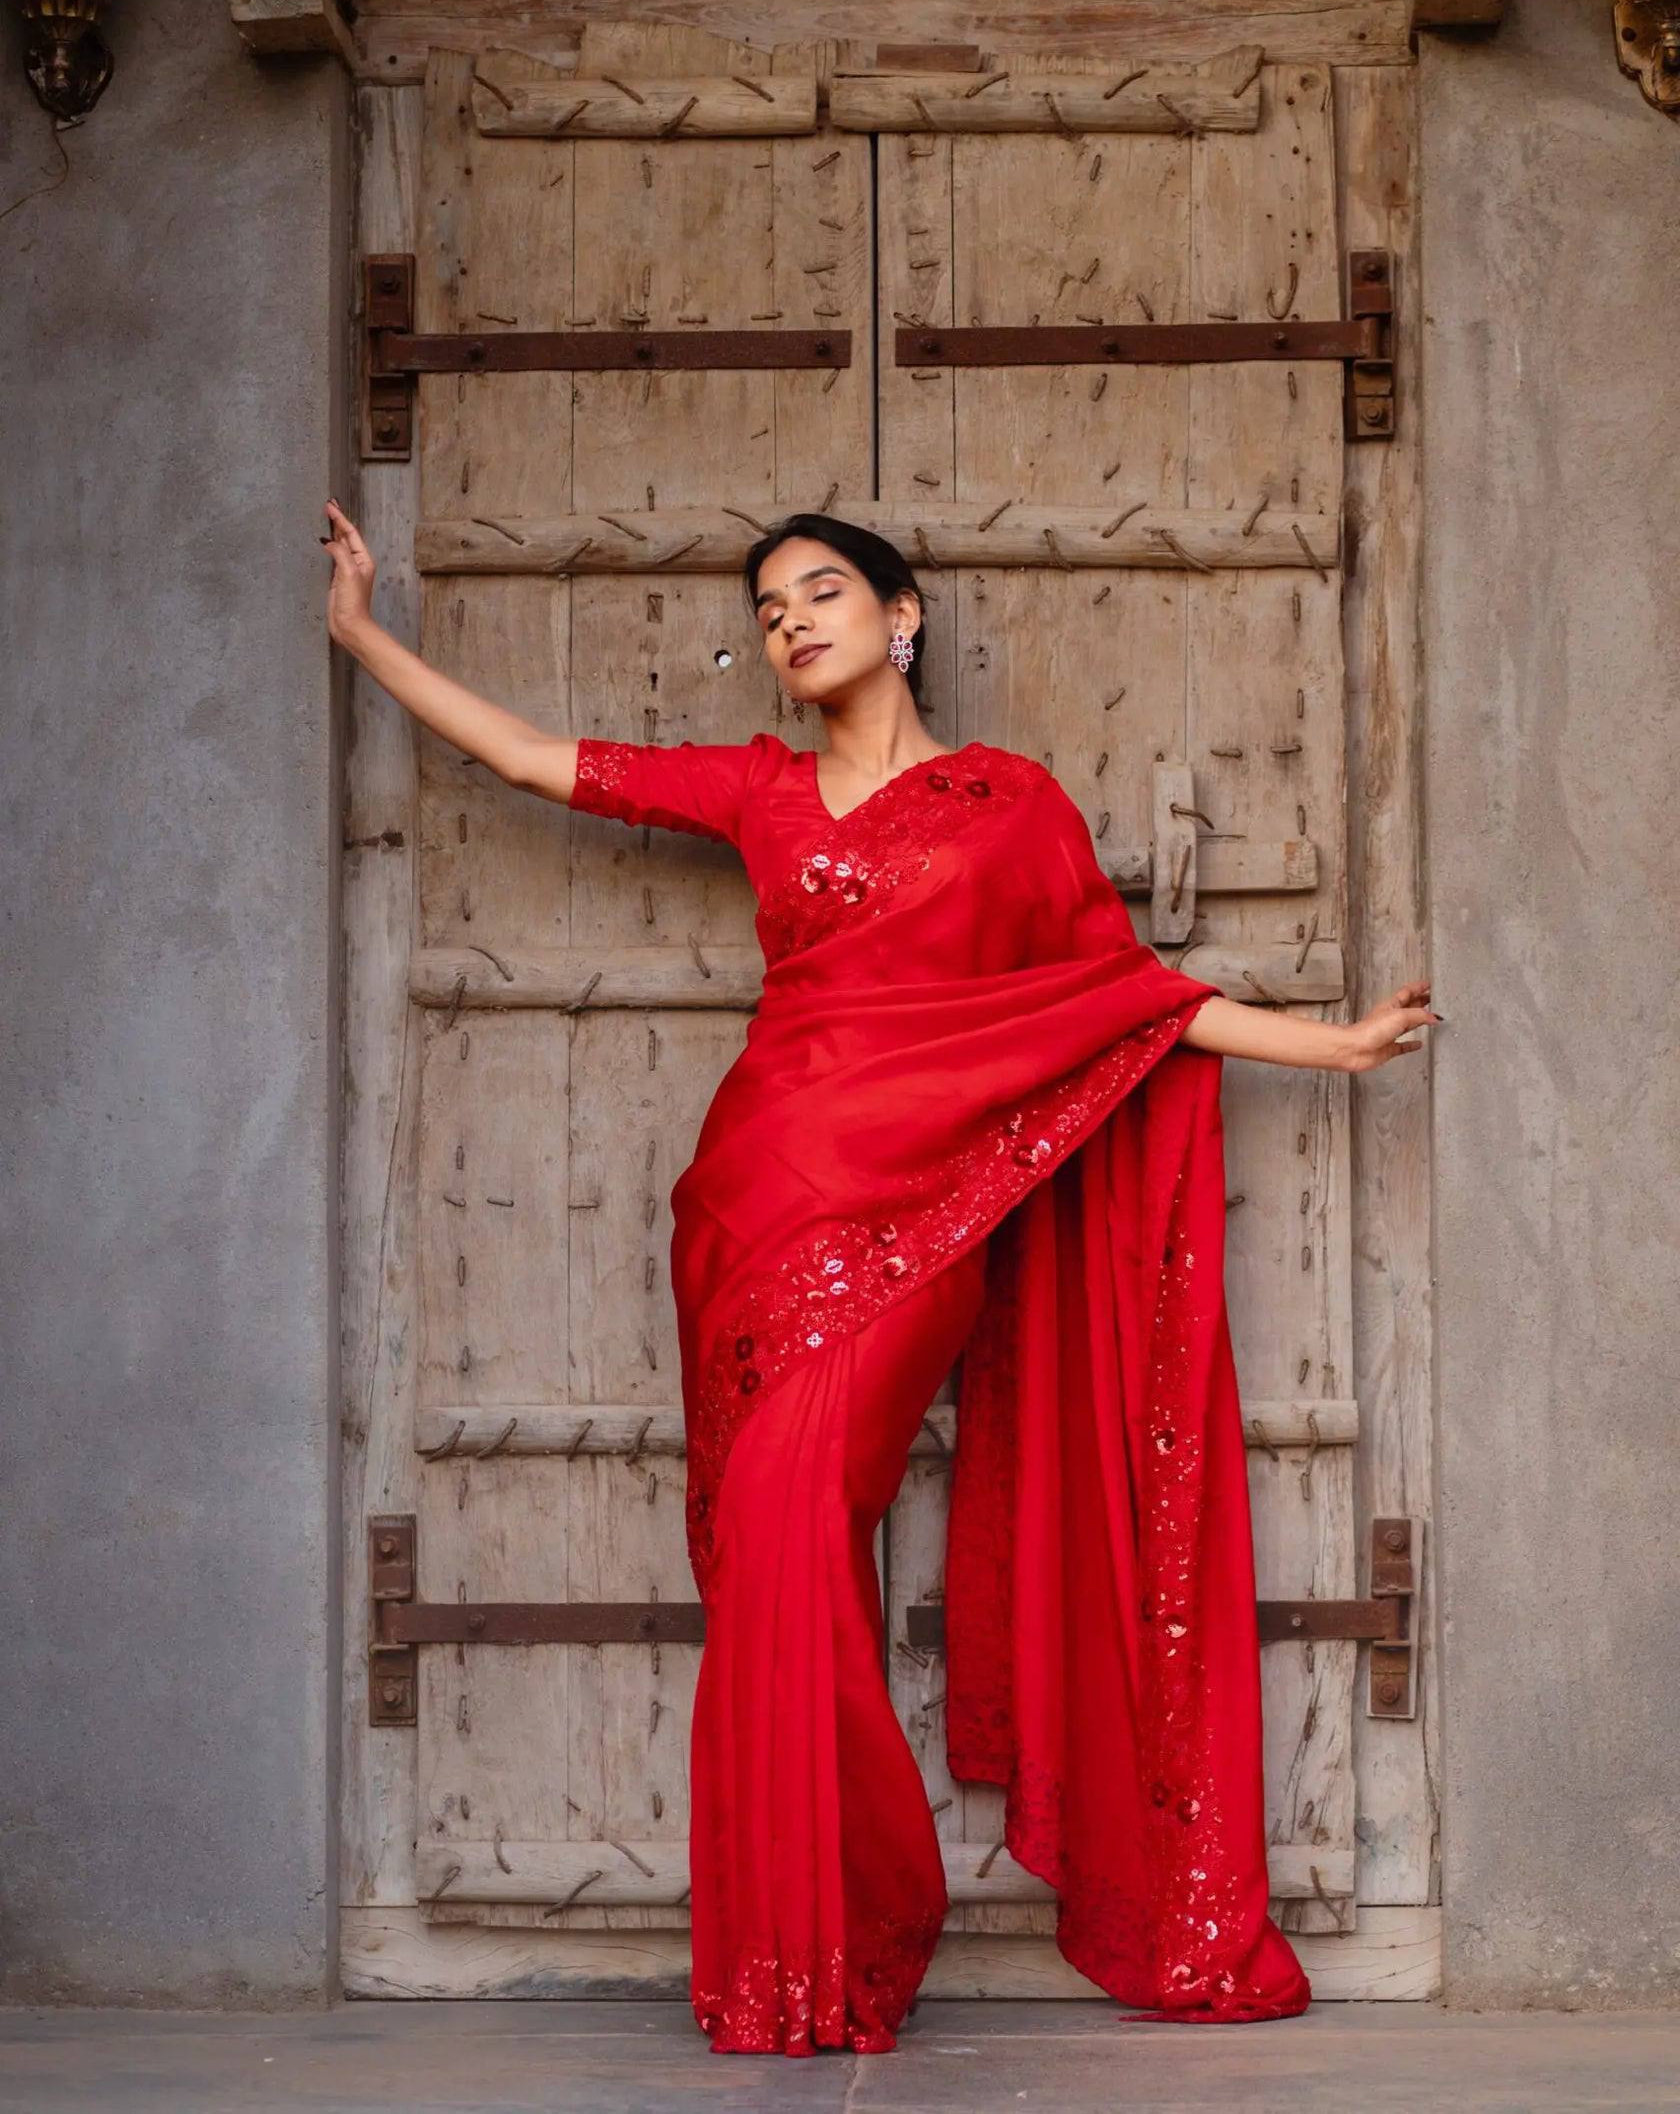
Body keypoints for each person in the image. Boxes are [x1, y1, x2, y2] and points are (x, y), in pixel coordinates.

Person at [322, 498, 1440, 2058]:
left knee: (788, 1541)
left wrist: (1328, 1041)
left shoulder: (1008, 806)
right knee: (780, 1575)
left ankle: (850, 1927)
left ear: (900, 615)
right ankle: (797, 1957)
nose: (793, 620)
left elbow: (1117, 1001)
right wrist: (367, 634)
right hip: (752, 1212)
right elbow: (533, 761)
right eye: (771, 606)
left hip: (910, 1237)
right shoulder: (760, 796)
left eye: (822, 591)